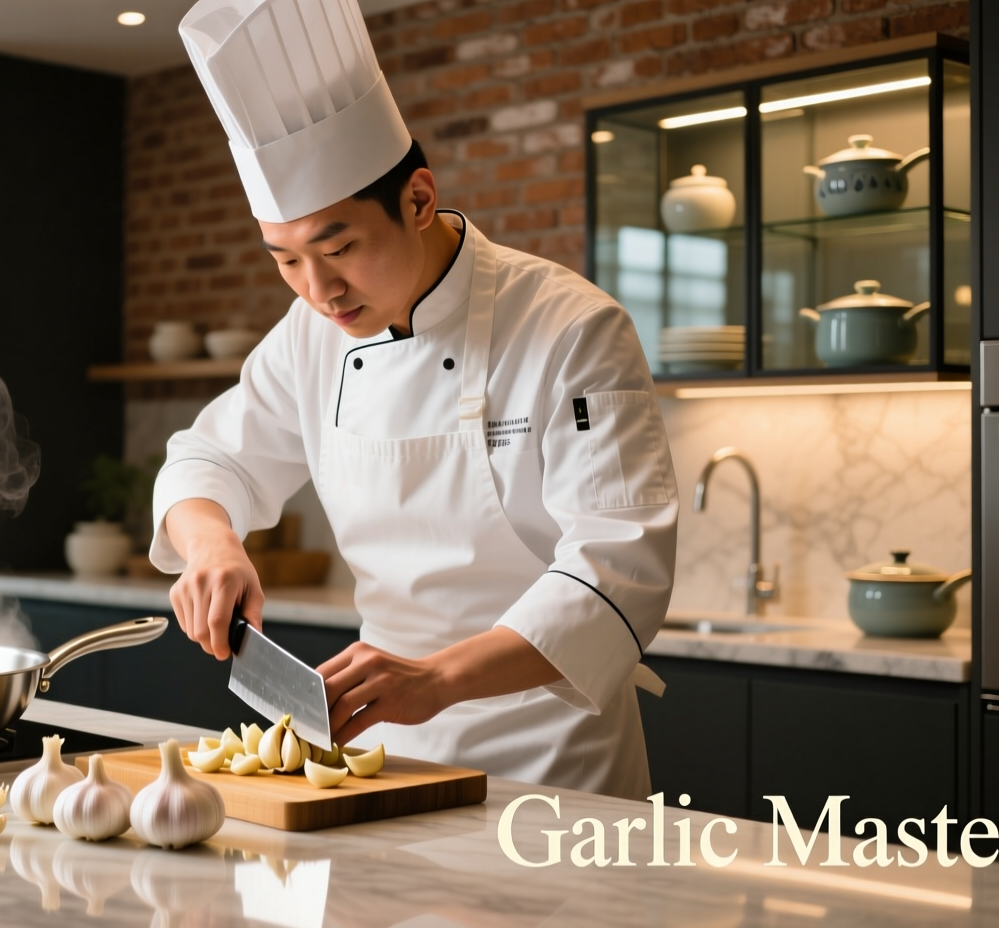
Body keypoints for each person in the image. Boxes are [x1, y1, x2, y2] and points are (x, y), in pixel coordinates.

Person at [153, 0, 677, 797]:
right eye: (286, 260)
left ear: (420, 199)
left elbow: (618, 569)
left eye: (339, 247)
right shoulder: (311, 333)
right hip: (377, 755)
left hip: (551, 762)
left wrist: (437, 678)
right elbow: (207, 457)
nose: (318, 289)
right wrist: (214, 547)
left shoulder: (569, 326)